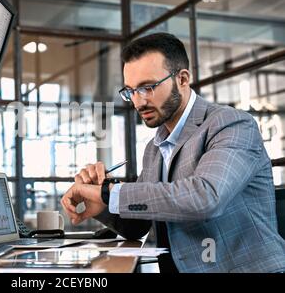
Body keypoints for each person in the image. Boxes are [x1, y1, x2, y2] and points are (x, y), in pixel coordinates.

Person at [61, 32, 285, 273]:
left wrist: (108, 192)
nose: (138, 101)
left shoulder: (231, 124)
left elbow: (205, 198)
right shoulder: (154, 148)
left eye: (147, 88)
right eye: (130, 91)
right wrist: (102, 205)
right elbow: (138, 226)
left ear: (183, 79)